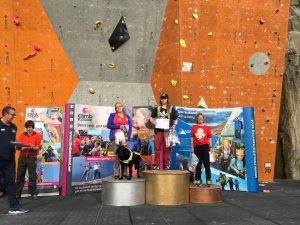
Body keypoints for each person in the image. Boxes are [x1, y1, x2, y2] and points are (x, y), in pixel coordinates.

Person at [0, 106, 29, 214]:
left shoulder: (14, 127)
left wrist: (19, 146)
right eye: (12, 114)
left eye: (14, 114)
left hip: (9, 160)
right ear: (5, 114)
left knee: (11, 182)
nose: (14, 116)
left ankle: (15, 207)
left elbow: (14, 143)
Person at [150, 94, 178, 169]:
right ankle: (156, 164)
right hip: (159, 131)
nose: (163, 100)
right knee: (157, 147)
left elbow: (175, 119)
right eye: (162, 98)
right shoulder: (157, 108)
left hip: (168, 131)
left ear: (167, 99)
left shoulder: (171, 109)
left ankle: (167, 165)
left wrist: (174, 127)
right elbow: (151, 118)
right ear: (160, 99)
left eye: (164, 98)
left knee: (167, 148)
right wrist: (154, 122)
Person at [16, 120, 42, 200]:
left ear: (33, 127)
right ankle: (18, 193)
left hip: (32, 157)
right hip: (22, 157)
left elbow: (38, 147)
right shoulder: (22, 135)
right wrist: (21, 147)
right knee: (20, 175)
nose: (28, 129)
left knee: (32, 176)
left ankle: (33, 192)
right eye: (27, 127)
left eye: (30, 127)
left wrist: (30, 147)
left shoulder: (37, 135)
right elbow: (18, 147)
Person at [107, 102, 132, 178]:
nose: (119, 107)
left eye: (120, 106)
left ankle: (124, 172)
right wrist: (119, 126)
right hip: (115, 138)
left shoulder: (127, 116)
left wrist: (128, 137)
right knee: (117, 155)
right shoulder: (112, 115)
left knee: (126, 155)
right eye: (117, 107)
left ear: (122, 107)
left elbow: (130, 127)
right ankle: (116, 172)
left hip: (124, 138)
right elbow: (108, 125)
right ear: (115, 108)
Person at [190, 113, 212, 186]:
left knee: (207, 164)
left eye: (201, 117)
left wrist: (211, 147)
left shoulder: (207, 128)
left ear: (203, 119)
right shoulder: (193, 127)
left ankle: (208, 180)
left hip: (205, 147)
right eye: (198, 117)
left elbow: (209, 138)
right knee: (198, 164)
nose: (200, 119)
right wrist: (192, 148)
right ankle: (198, 180)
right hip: (197, 148)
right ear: (196, 119)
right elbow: (191, 138)